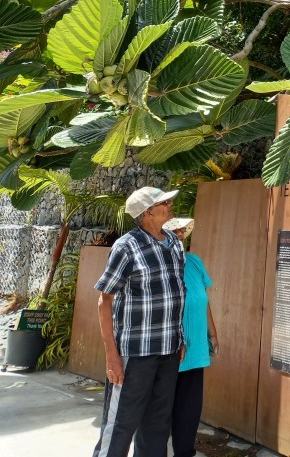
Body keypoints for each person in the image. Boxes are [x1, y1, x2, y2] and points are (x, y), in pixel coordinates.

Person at [93, 186, 185, 457]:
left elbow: (176, 293)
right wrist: (112, 355)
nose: (169, 205)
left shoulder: (174, 243)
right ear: (148, 212)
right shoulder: (127, 247)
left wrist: (179, 338)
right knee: (120, 424)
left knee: (158, 424)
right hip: (134, 353)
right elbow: (104, 300)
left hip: (168, 351)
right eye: (163, 202)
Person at [164, 217, 219, 457]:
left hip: (196, 347)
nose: (180, 235)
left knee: (190, 405)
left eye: (182, 231)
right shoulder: (161, 263)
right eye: (174, 232)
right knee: (164, 404)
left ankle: (184, 452)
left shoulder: (194, 262)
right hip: (170, 347)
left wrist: (213, 333)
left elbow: (203, 300)